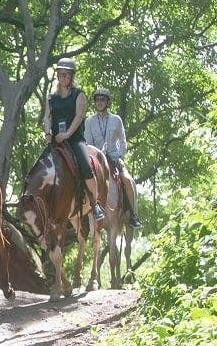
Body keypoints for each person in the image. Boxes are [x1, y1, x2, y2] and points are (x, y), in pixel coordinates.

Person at [42, 57, 106, 221]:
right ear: (57, 76)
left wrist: (67, 134)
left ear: (71, 76)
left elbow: (79, 117)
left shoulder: (79, 95)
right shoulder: (51, 98)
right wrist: (47, 132)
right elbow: (47, 117)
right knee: (39, 167)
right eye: (61, 74)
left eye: (66, 74)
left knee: (85, 166)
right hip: (56, 141)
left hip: (74, 139)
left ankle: (95, 203)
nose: (63, 77)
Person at [84, 87, 143, 228]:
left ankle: (133, 215)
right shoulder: (89, 121)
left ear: (108, 102)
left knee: (128, 180)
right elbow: (87, 143)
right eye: (97, 100)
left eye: (102, 100)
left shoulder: (116, 120)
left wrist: (118, 156)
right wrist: (96, 156)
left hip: (114, 160)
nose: (99, 102)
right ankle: (80, 217)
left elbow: (123, 142)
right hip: (97, 162)